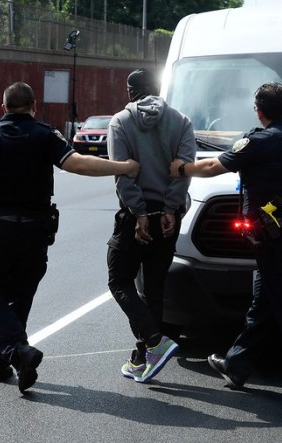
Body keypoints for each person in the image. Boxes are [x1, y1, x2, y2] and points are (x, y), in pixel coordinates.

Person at [169, 82, 282, 410]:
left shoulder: (258, 141)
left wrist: (181, 168)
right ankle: (237, 364)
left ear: (259, 112)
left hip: (279, 240)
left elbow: (211, 167)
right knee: (265, 301)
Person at [0, 81, 140, 394]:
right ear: (33, 107)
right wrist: (124, 167)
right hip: (34, 231)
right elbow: (78, 163)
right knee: (21, 291)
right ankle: (2, 361)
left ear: (4, 108)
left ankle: (16, 352)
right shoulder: (46, 135)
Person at [106, 68, 196, 383]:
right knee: (154, 286)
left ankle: (154, 343)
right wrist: (170, 208)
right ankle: (145, 356)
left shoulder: (120, 121)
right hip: (169, 217)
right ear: (157, 88)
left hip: (135, 217)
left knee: (119, 280)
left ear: (130, 91)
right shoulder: (181, 121)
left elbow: (124, 174)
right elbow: (182, 171)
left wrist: (139, 212)